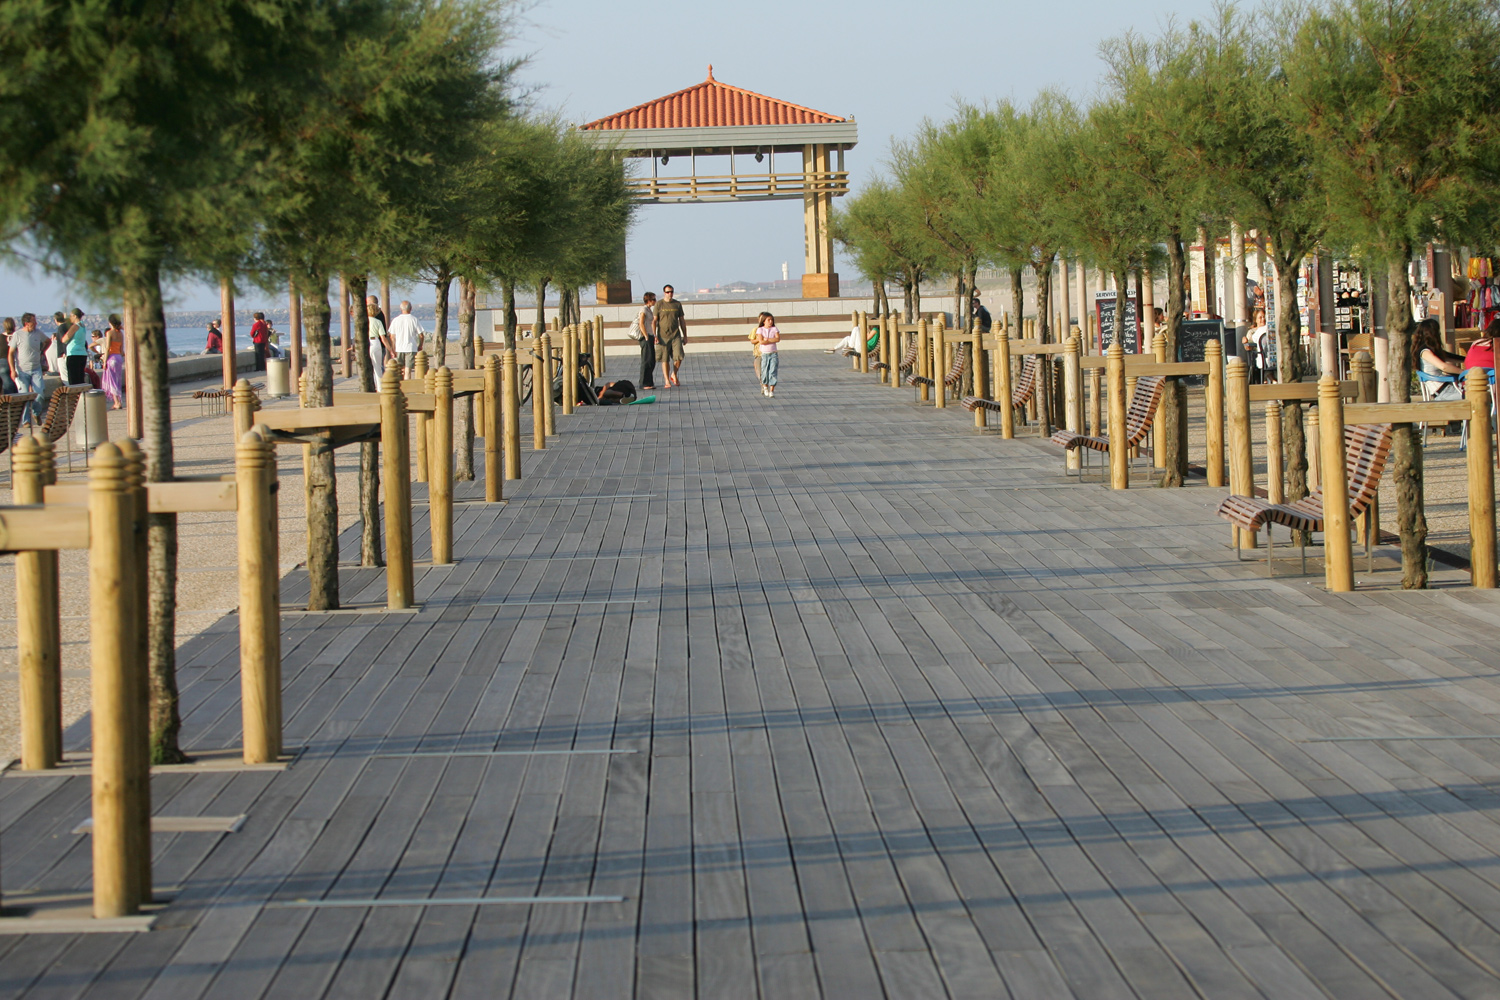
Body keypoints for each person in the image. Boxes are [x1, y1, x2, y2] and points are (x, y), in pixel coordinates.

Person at [9, 313, 51, 422]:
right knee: (24, 396)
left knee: (40, 393)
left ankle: (36, 413)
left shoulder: (38, 333)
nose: (36, 323)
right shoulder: (17, 335)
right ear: (27, 324)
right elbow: (11, 353)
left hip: (36, 368)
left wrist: (42, 351)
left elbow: (48, 341)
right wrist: (13, 370)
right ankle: (26, 421)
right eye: (34, 321)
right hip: (22, 370)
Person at [1415, 317, 1466, 400]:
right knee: (1480, 395)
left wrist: (1467, 359)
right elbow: (1444, 366)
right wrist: (1463, 372)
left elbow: (1449, 357)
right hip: (1444, 392)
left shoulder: (1429, 350)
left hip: (1447, 388)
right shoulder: (1425, 352)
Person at [654, 284, 687, 387]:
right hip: (662, 336)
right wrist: (654, 335)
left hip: (675, 335)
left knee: (679, 356)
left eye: (671, 292)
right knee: (665, 359)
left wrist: (685, 335)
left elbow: (682, 320)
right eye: (668, 292)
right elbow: (654, 321)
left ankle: (674, 374)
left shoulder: (677, 304)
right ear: (664, 293)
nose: (670, 294)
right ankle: (667, 380)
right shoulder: (659, 304)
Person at [93, 316, 125, 409]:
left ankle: (116, 402)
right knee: (117, 380)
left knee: (112, 381)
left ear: (110, 322)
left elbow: (107, 348)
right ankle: (118, 401)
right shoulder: (120, 334)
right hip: (119, 357)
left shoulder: (109, 333)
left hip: (111, 358)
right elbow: (121, 350)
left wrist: (104, 361)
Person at [388, 300, 425, 376]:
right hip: (411, 347)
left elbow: (392, 337)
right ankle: (407, 383)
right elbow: (421, 335)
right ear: (410, 308)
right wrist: (420, 345)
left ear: (401, 309)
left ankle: (402, 384)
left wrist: (393, 348)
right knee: (408, 369)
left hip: (399, 347)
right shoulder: (414, 319)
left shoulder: (395, 320)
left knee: (400, 369)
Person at [630, 292, 656, 388]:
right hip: (645, 337)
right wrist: (646, 336)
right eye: (653, 299)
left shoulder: (649, 310)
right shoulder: (643, 309)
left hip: (650, 335)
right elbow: (641, 323)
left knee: (651, 360)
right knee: (646, 359)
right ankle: (643, 383)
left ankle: (649, 382)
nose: (655, 301)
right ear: (648, 300)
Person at [59, 307, 90, 385]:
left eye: (71, 316)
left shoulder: (75, 326)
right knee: (80, 378)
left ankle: (76, 396)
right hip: (82, 354)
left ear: (75, 316)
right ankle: (81, 396)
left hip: (73, 354)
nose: (70, 318)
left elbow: (64, 339)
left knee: (73, 380)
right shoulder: (83, 325)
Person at [754, 311, 780, 398]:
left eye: (771, 320)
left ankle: (772, 390)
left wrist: (767, 339)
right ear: (764, 321)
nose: (770, 322)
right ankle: (765, 386)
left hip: (773, 353)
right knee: (764, 371)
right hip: (764, 354)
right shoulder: (760, 330)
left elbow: (777, 339)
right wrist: (769, 340)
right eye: (768, 320)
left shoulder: (774, 329)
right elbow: (761, 341)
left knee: (773, 371)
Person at [366, 296, 393, 375]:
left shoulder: (374, 317)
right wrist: (390, 349)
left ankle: (379, 383)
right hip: (378, 343)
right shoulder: (380, 315)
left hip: (376, 343)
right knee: (378, 366)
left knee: (377, 366)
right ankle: (379, 384)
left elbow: (382, 335)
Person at [0, 318, 18, 394]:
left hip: (3, 361)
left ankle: (10, 401)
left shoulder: (0, 337)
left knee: (6, 383)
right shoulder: (17, 336)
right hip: (16, 361)